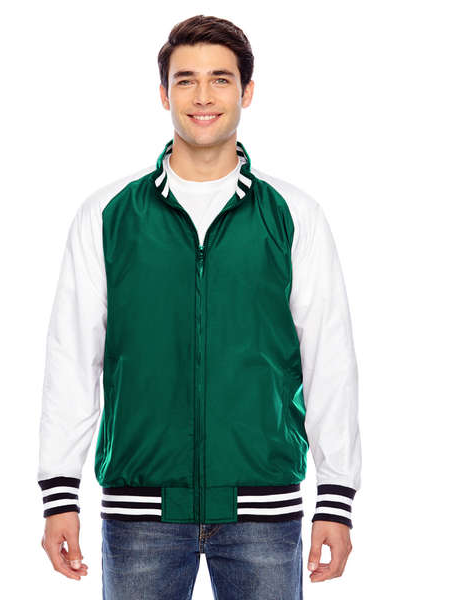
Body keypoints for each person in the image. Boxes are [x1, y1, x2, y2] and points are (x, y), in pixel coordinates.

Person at [37, 14, 362, 600]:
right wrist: (60, 492)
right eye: (186, 80)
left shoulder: (294, 216)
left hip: (264, 509)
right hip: (140, 513)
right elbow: (73, 355)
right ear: (164, 94)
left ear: (247, 92)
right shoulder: (108, 215)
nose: (203, 96)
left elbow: (328, 358)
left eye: (220, 79)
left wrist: (336, 498)